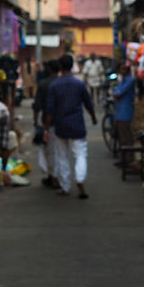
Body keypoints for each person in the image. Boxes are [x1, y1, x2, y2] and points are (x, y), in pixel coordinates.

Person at [44, 54, 97, 199]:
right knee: (80, 154)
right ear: (72, 65)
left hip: (61, 126)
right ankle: (80, 179)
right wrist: (93, 118)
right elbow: (88, 103)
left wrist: (46, 128)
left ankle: (65, 186)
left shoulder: (54, 85)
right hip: (77, 125)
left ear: (60, 67)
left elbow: (49, 109)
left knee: (62, 157)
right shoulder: (79, 84)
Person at [32, 59, 60, 188]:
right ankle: (54, 176)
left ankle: (52, 177)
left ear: (49, 69)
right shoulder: (62, 82)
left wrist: (36, 122)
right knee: (59, 151)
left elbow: (37, 106)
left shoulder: (43, 84)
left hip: (48, 122)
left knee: (49, 150)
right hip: (62, 121)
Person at [111, 60, 137, 167]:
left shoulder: (129, 80)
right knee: (122, 138)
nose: (122, 71)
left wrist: (115, 94)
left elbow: (118, 94)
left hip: (125, 113)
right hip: (120, 112)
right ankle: (124, 159)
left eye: (124, 68)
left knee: (126, 138)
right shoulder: (123, 80)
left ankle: (129, 160)